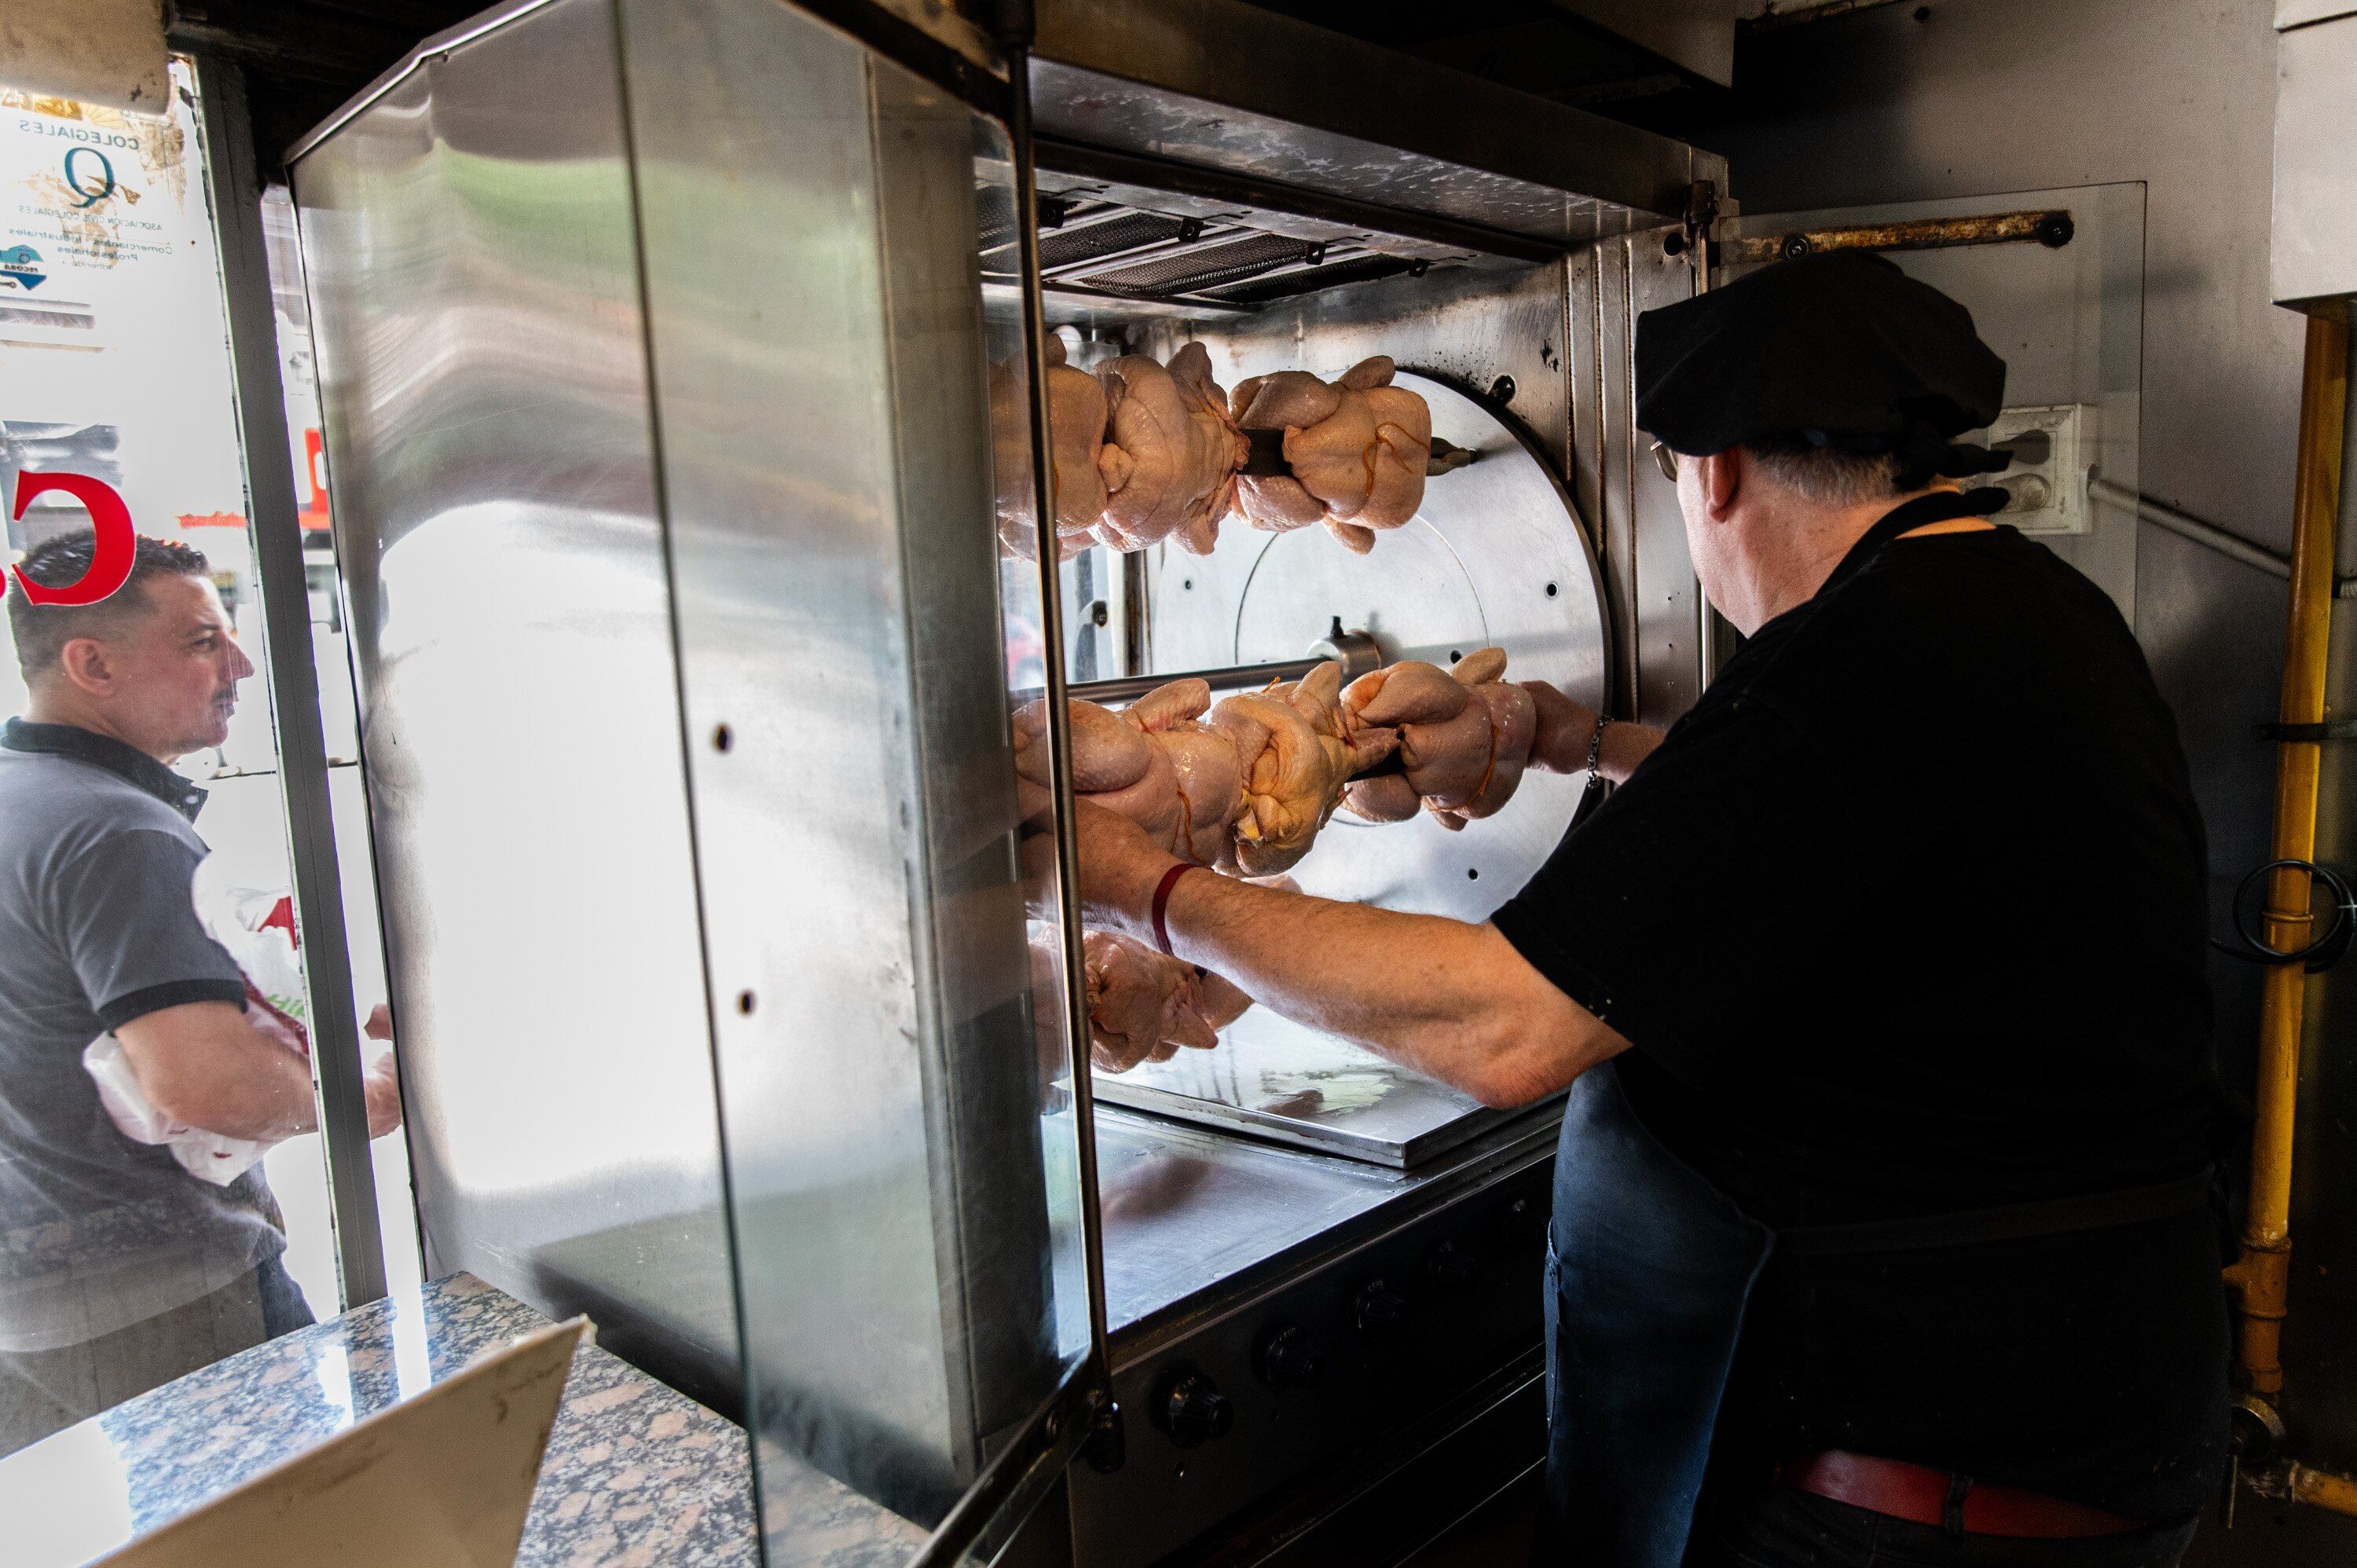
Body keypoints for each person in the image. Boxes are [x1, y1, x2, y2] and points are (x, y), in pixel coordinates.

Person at [1059, 254, 2227, 1566]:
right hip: (2064, 1427)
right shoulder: (2026, 613)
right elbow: (1821, 827)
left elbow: (1504, 1033)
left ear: (1715, 472)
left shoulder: (1851, 665)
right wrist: (1566, 739)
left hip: (1913, 1485)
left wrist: (1148, 891)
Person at [0, 529, 401, 1457]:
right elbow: (200, 1085)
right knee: (301, 1516)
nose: (242, 666)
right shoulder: (113, 830)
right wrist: (368, 1095)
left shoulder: (23, 797)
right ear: (92, 664)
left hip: (34, 1304)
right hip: (158, 1305)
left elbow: (62, 1017)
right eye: (201, 641)